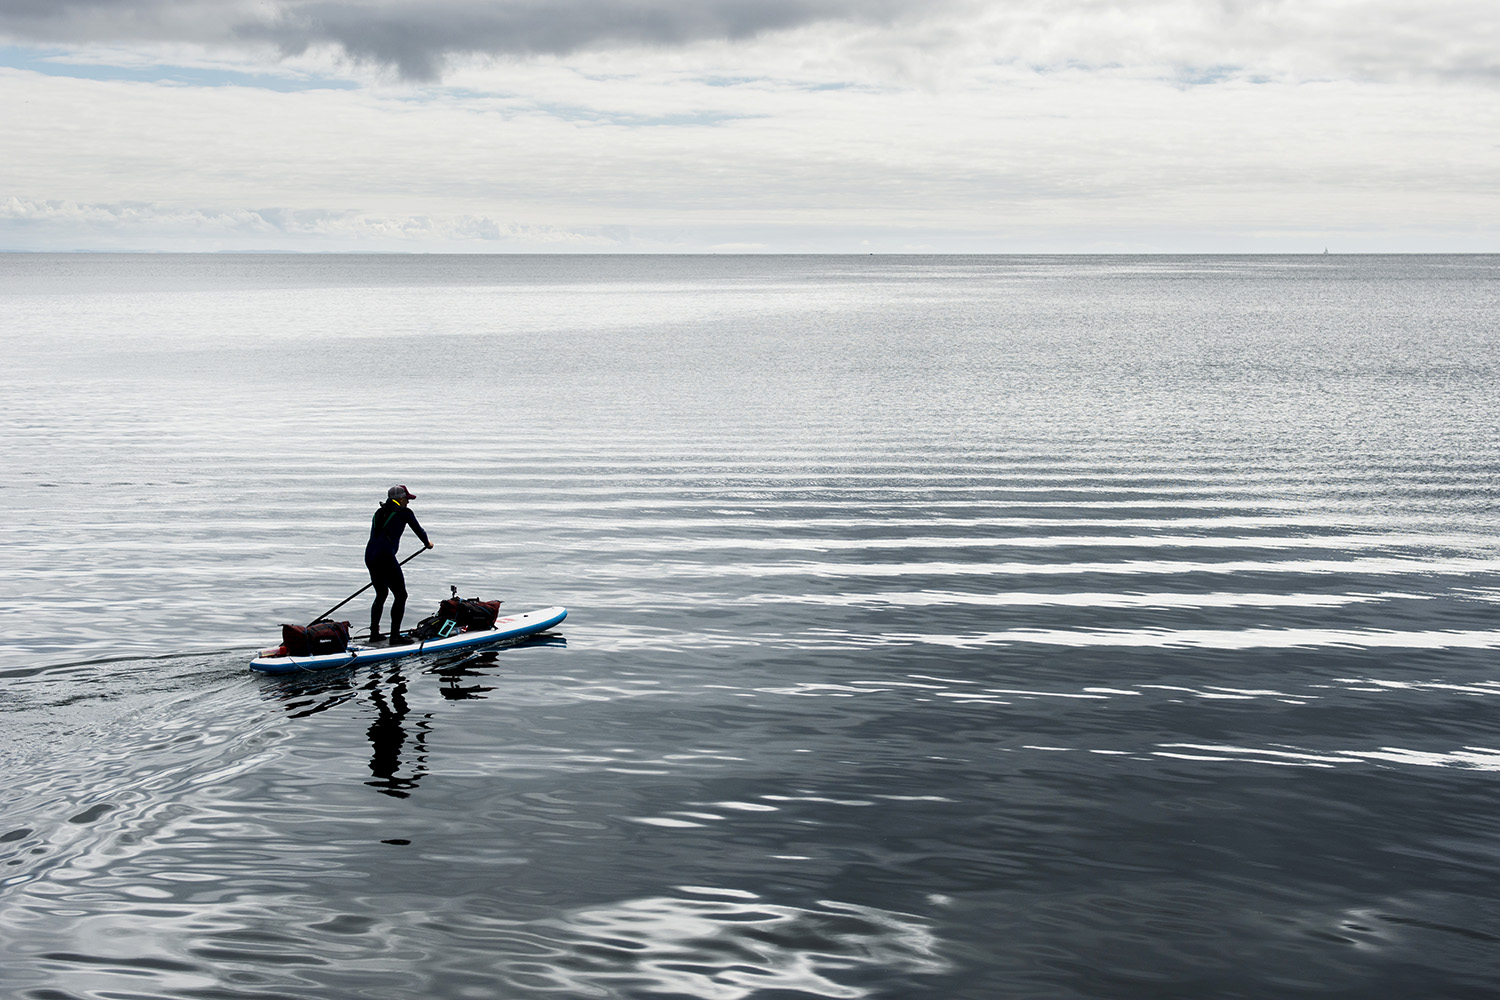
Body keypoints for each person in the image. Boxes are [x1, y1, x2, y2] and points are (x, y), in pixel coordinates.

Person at [365, 485, 433, 644]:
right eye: (407, 499)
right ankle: (395, 637)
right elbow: (419, 531)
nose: (408, 503)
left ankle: (374, 634)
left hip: (370, 557)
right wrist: (427, 543)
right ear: (401, 499)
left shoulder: (379, 512)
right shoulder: (404, 513)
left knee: (381, 594)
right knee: (401, 595)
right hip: (385, 557)